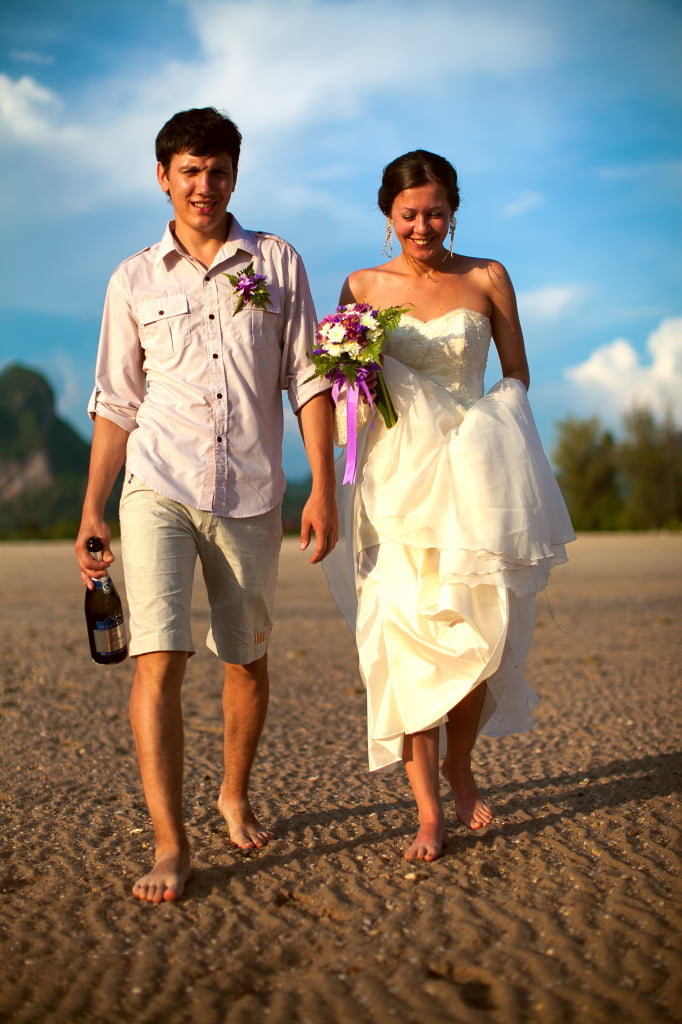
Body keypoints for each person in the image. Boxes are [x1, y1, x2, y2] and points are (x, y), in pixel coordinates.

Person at [75, 107, 337, 902]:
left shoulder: (279, 261)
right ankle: (171, 843)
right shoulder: (132, 278)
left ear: (235, 175)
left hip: (252, 490)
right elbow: (116, 401)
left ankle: (233, 792)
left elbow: (308, 377)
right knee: (158, 659)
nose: (204, 185)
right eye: (189, 171)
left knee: (245, 657)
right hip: (156, 483)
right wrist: (92, 508)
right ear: (163, 176)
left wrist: (321, 484)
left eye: (218, 170)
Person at [322, 150, 575, 862]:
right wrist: (357, 384)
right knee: (406, 641)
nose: (424, 227)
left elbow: (518, 371)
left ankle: (461, 766)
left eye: (436, 212)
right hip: (399, 481)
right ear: (388, 216)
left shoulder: (488, 277)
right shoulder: (361, 285)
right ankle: (427, 811)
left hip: (475, 476)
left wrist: (494, 423)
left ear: (453, 209)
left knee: (476, 637)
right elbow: (345, 391)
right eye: (410, 215)